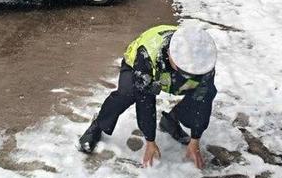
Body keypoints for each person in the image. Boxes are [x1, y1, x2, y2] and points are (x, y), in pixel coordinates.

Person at [79, 24, 218, 169]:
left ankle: (171, 121)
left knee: (205, 92)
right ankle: (98, 124)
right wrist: (150, 141)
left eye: (190, 72)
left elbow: (203, 99)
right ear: (170, 53)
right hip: (138, 67)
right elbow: (145, 101)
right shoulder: (147, 54)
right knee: (127, 93)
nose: (187, 75)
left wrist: (195, 139)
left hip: (170, 77)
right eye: (183, 69)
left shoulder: (203, 60)